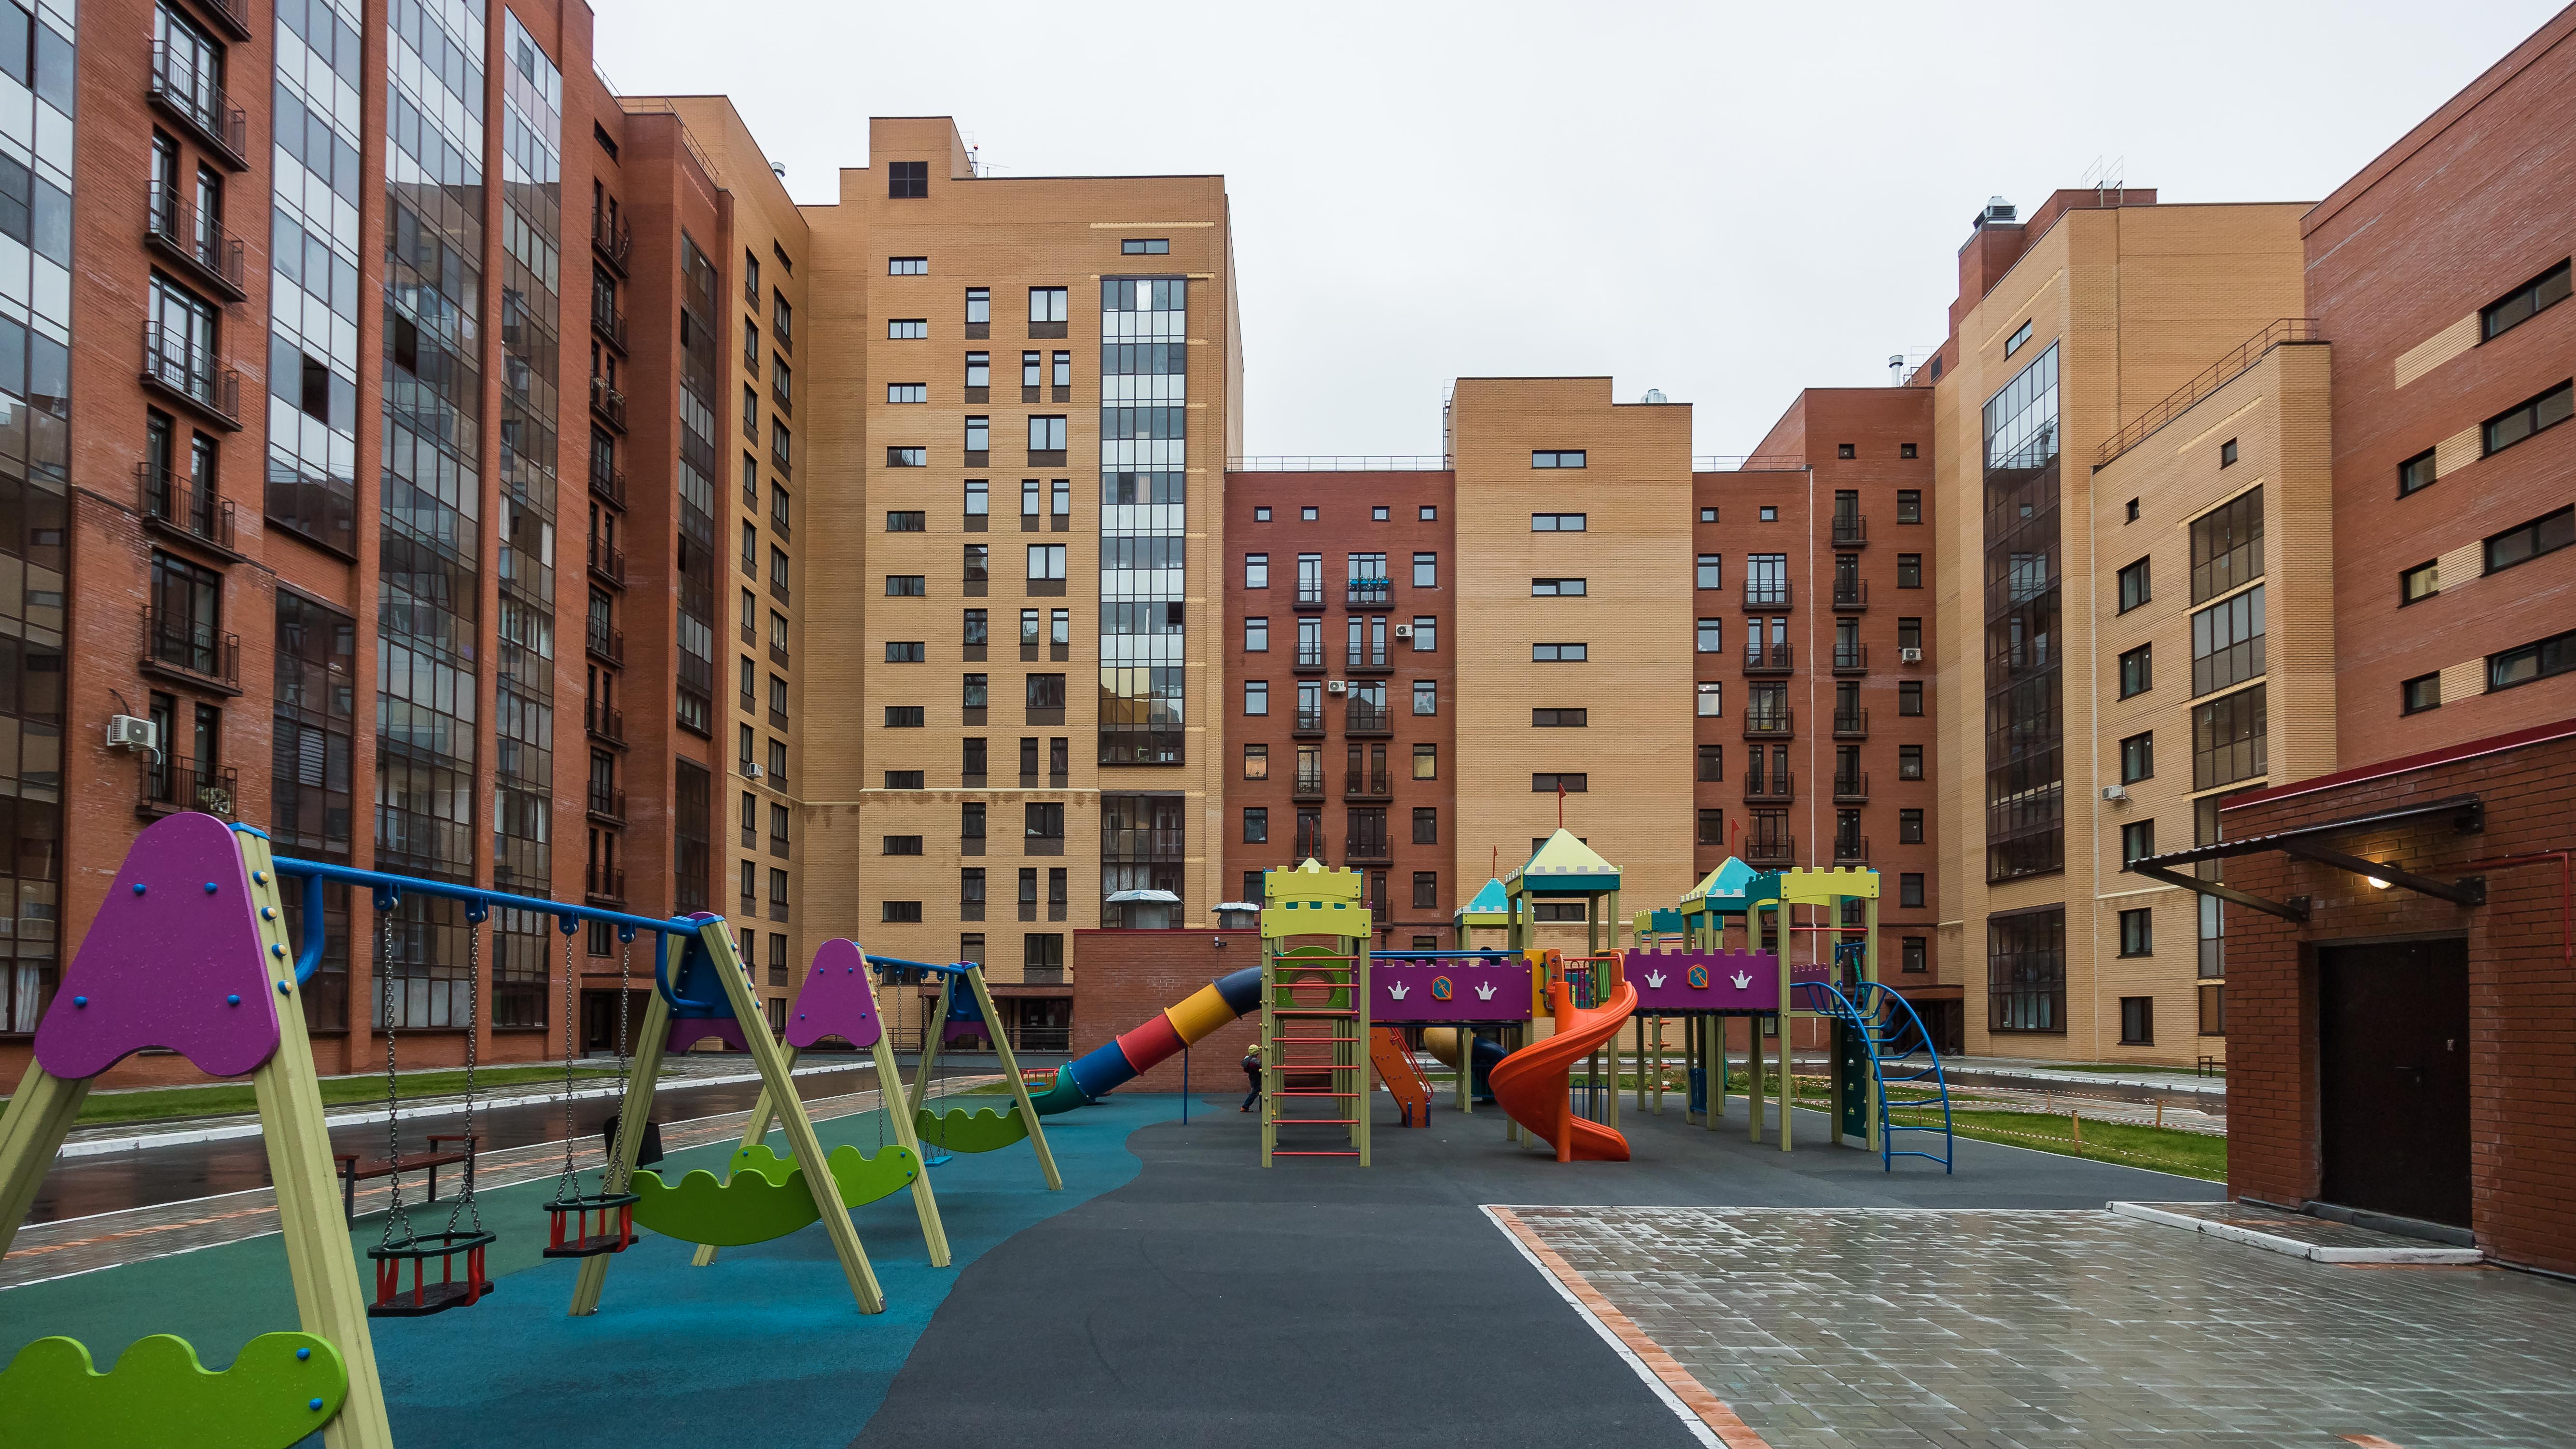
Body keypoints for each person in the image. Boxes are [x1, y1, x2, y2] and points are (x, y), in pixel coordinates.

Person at [1239, 1044, 1262, 1112]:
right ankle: (1245, 1107)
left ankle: (1262, 1107)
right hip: (1256, 1079)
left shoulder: (1248, 1060)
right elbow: (1261, 1064)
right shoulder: (1254, 1060)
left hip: (1253, 1078)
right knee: (1254, 1093)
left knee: (1260, 1093)